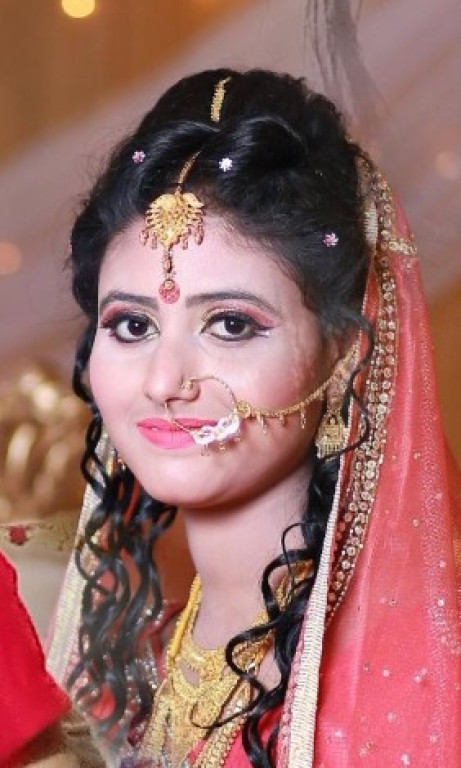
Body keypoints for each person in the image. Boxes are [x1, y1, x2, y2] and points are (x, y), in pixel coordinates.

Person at [47, 69, 460, 767]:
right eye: (132, 325)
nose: (164, 382)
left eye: (231, 324)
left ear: (343, 351)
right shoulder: (124, 672)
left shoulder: (412, 686)